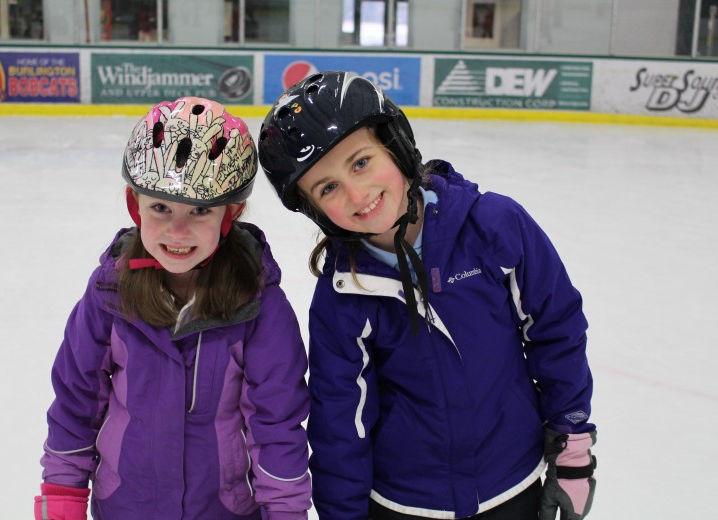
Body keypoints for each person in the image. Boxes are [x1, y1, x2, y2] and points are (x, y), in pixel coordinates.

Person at [257, 71, 597, 520]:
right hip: (403, 503)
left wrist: (573, 449)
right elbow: (341, 425)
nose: (357, 195)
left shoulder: (494, 227)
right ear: (315, 209)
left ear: (395, 144)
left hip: (511, 486)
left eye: (360, 162)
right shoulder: (343, 296)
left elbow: (557, 332)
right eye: (328, 188)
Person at [34, 97, 311, 520]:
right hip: (125, 507)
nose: (177, 231)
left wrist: (286, 513)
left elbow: (276, 427)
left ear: (228, 214)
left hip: (222, 511)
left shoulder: (259, 305)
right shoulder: (110, 292)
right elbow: (77, 404)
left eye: (200, 210)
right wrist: (63, 501)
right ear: (135, 206)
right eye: (160, 207)